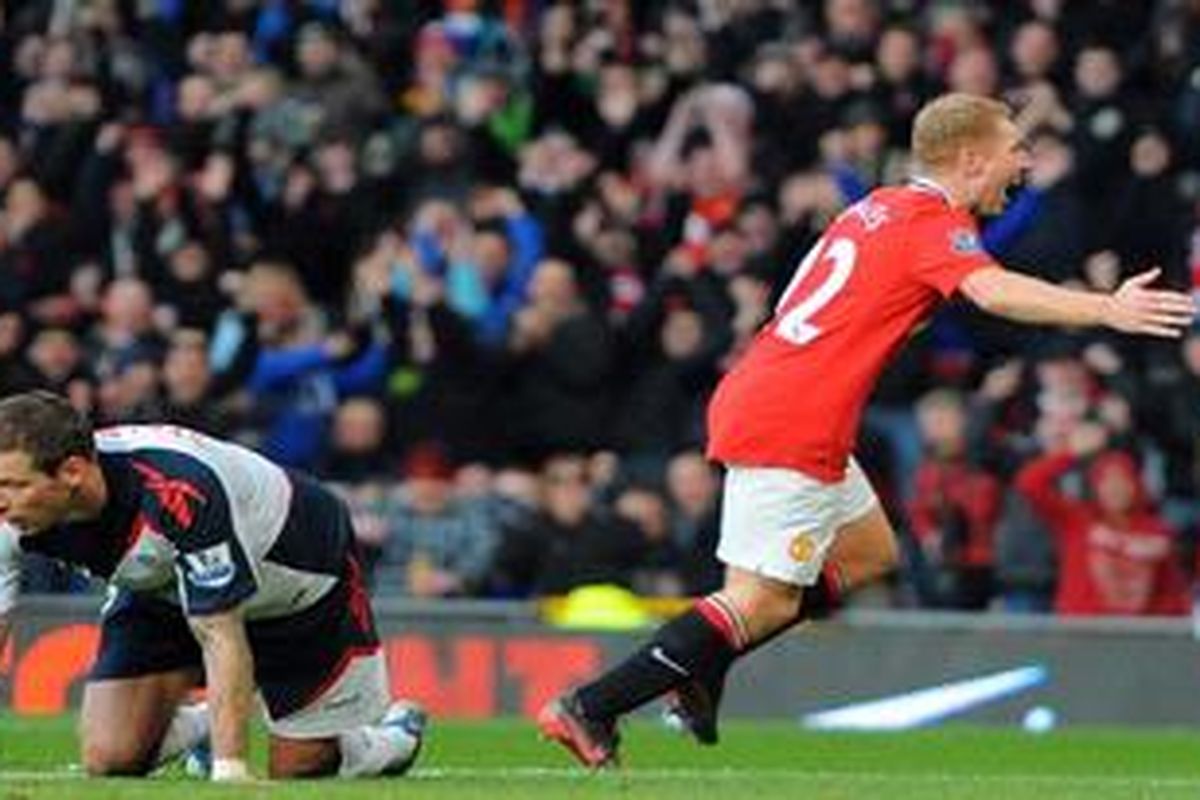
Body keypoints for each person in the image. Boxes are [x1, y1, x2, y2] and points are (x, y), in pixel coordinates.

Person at [537, 93, 1196, 767]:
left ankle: (703, 661)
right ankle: (590, 705)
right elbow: (993, 292)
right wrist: (1107, 309)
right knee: (757, 602)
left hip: (780, 395)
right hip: (794, 416)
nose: (1023, 162)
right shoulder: (932, 222)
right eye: (1014, 149)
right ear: (971, 158)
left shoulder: (877, 206)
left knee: (867, 554)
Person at [0, 391, 426, 781]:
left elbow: (220, 632)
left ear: (73, 471)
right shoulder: (9, 519)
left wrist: (229, 771)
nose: (1, 501)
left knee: (302, 766)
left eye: (13, 485)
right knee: (110, 758)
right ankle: (208, 721)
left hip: (299, 575)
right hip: (161, 583)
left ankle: (391, 741)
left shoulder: (179, 489)